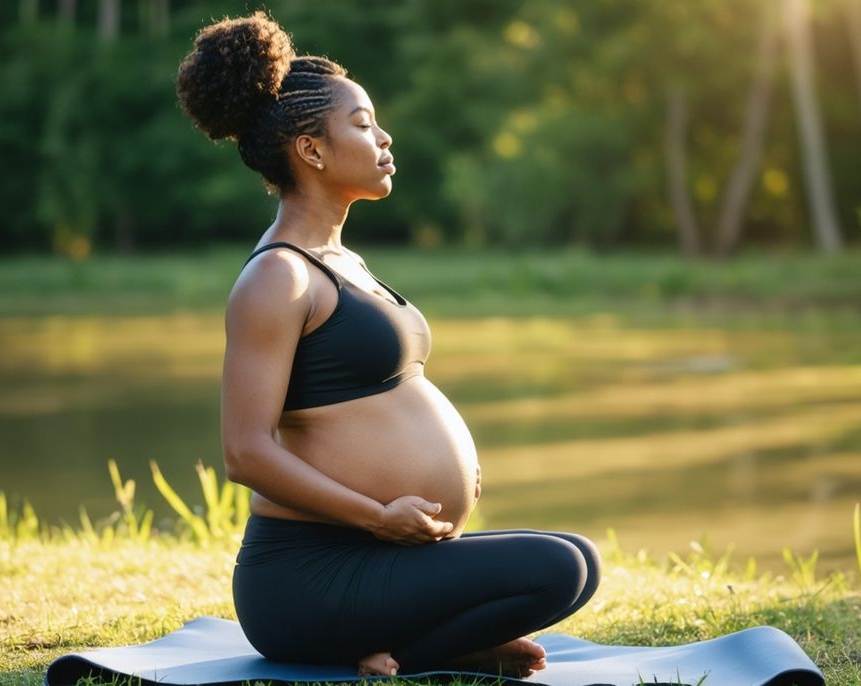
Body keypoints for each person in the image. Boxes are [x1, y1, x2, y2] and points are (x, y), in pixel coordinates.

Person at [175, 11, 601, 678]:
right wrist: (377, 515)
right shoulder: (279, 276)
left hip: (381, 555)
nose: (384, 136)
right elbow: (245, 452)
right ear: (311, 151)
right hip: (307, 575)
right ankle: (412, 658)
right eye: (362, 123)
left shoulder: (343, 262)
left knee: (579, 558)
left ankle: (426, 649)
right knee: (557, 569)